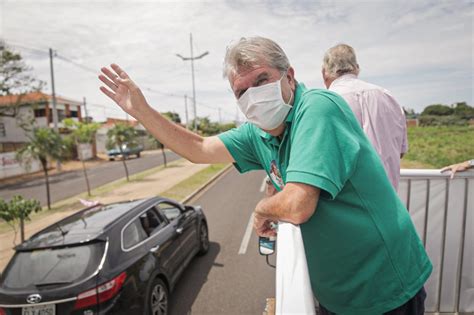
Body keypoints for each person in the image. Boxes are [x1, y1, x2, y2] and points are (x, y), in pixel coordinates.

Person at [98, 36, 432, 315]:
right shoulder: (256, 133)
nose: (252, 96)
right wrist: (140, 110)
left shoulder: (317, 107)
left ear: (289, 76)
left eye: (261, 80)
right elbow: (198, 148)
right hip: (337, 295)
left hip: (385, 288)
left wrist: (262, 209)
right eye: (241, 92)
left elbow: (299, 203)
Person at [322, 44, 408, 191]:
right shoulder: (388, 97)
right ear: (356, 68)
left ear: (324, 72)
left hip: (345, 205)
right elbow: (400, 151)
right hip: (388, 202)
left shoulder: (325, 102)